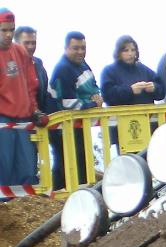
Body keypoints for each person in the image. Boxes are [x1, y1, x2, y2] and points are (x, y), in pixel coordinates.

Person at [49, 31, 102, 190]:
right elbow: (67, 102)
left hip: (79, 123)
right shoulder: (63, 69)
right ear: (66, 48)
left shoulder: (83, 64)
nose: (80, 52)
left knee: (82, 161)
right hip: (61, 127)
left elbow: (93, 84)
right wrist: (92, 104)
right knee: (65, 163)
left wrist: (97, 97)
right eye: (76, 48)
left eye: (83, 48)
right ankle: (59, 199)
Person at [0, 8, 43, 186]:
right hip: (2, 121)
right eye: (4, 30)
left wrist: (35, 110)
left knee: (27, 171)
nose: (9, 34)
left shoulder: (21, 52)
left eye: (12, 30)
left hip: (23, 120)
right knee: (4, 170)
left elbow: (30, 86)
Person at [101, 35, 164, 106]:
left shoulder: (145, 70)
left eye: (133, 50)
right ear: (118, 52)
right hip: (121, 116)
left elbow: (162, 92)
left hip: (147, 115)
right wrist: (130, 90)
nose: (130, 54)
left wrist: (154, 88)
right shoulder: (109, 71)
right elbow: (106, 96)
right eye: (126, 50)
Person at [13, 25, 51, 114]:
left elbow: (45, 94)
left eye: (33, 43)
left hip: (37, 119)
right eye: (26, 43)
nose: (31, 47)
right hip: (14, 119)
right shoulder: (9, 65)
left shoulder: (38, 64)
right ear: (16, 44)